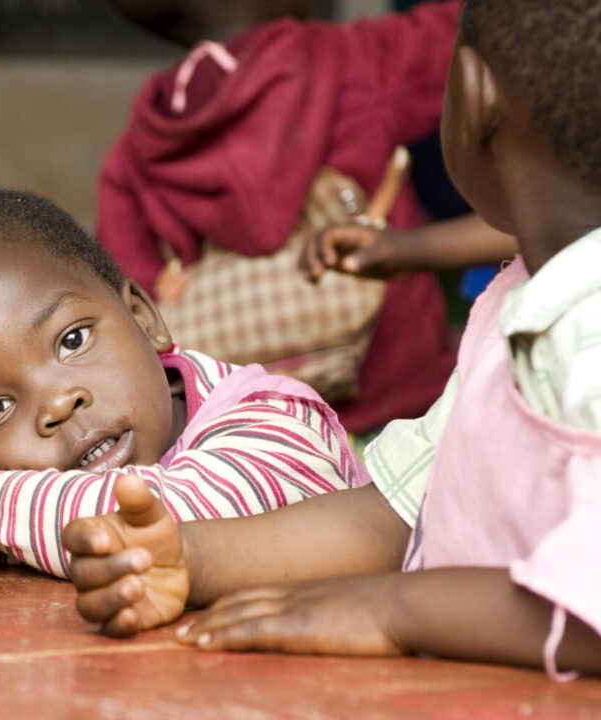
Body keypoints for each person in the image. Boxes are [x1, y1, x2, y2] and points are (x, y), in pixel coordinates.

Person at [64, 0, 601, 677]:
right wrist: (190, 558)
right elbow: (397, 510)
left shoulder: (589, 327)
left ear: (473, 96)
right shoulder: (528, 300)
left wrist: (394, 610)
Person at [0, 187, 366, 578]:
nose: (58, 403)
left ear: (144, 317)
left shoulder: (277, 420)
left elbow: (176, 531)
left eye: (72, 341)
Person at [97, 0, 464, 432]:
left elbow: (129, 295)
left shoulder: (141, 143)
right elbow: (476, 28)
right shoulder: (356, 60)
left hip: (255, 433)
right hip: (407, 408)